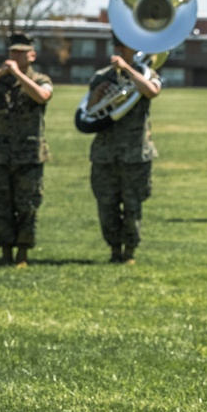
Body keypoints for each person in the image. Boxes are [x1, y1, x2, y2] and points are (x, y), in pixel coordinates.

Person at [0, 31, 53, 267]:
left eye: (20, 52)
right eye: (12, 52)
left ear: (32, 55)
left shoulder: (40, 79)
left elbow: (42, 96)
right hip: (0, 154)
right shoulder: (0, 81)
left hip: (29, 155)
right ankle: (6, 251)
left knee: (27, 205)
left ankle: (23, 254)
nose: (14, 56)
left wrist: (19, 75)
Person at [86, 34, 162, 264]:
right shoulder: (101, 77)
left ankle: (129, 251)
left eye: (123, 45)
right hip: (105, 153)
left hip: (135, 153)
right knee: (106, 205)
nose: (118, 49)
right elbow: (89, 113)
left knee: (132, 204)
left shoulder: (147, 73)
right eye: (116, 45)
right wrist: (98, 95)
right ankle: (114, 249)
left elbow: (151, 91)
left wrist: (127, 69)